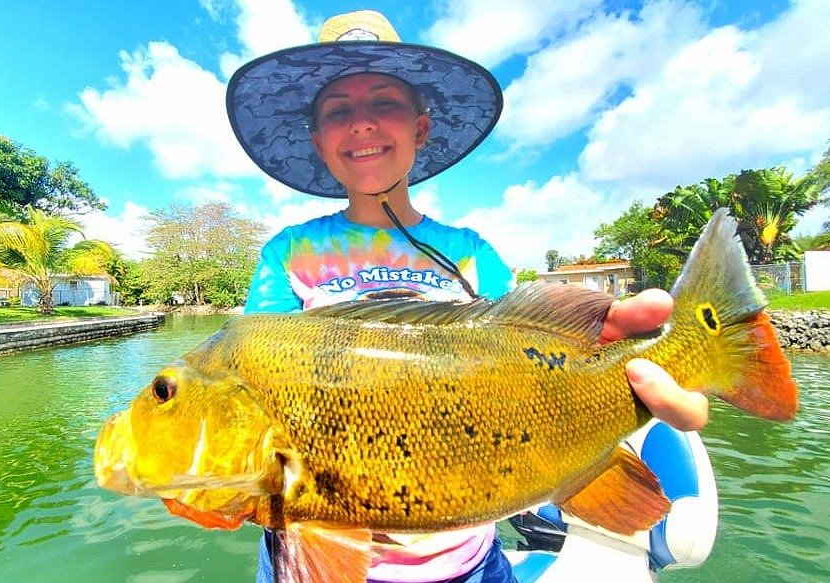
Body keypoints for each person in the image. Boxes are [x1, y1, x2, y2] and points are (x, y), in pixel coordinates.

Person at [225, 10, 712, 582]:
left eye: (384, 103)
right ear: (317, 140)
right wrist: (212, 483)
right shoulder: (288, 253)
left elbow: (529, 357)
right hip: (312, 555)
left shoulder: (470, 253)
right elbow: (251, 385)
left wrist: (629, 382)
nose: (362, 124)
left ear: (421, 129)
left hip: (468, 564)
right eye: (338, 110)